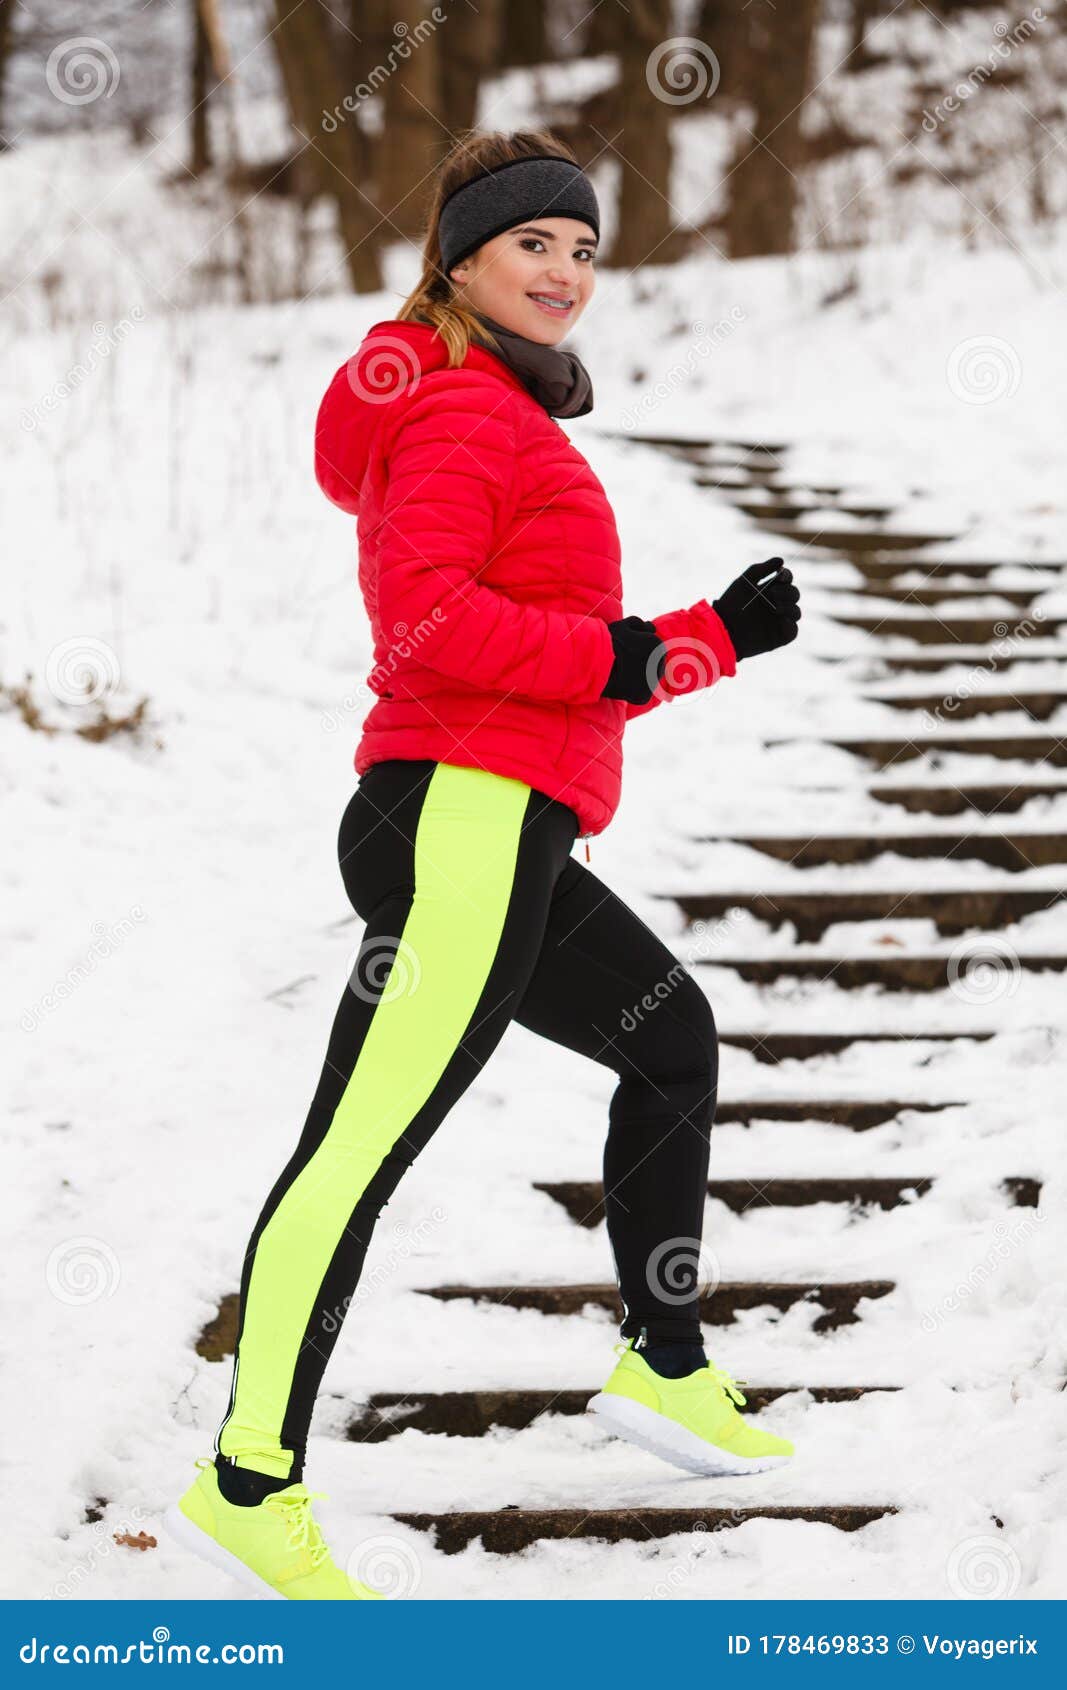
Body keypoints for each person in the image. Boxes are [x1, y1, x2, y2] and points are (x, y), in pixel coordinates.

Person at [165, 129, 801, 1601]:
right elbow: (435, 627)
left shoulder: (504, 416)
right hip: (459, 814)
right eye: (536, 244)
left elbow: (571, 660)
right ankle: (249, 1476)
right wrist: (636, 645)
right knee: (356, 1149)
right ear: (460, 259)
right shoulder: (461, 410)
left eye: (585, 249)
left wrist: (701, 640)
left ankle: (662, 1358)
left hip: (503, 816)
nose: (570, 271)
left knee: (672, 1038)